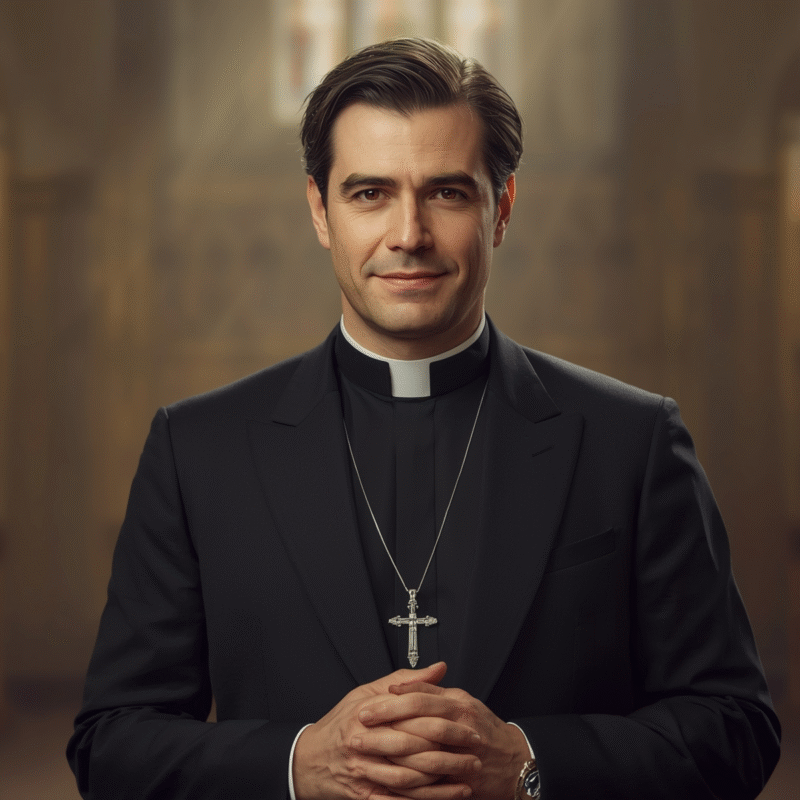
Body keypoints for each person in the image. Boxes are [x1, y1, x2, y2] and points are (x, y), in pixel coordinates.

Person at [67, 37, 780, 800]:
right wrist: (297, 766)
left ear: (500, 208)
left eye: (446, 192)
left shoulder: (630, 442)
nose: (408, 234)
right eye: (369, 193)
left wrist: (530, 764)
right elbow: (112, 744)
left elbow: (736, 727)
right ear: (320, 209)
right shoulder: (197, 450)